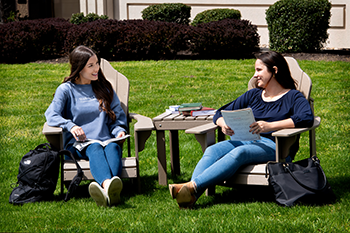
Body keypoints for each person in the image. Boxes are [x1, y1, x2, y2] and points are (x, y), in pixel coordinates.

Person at [169, 51, 314, 208]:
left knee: (240, 153)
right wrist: (222, 123)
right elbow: (219, 112)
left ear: (274, 70)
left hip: (275, 146)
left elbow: (306, 118)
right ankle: (191, 196)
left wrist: (270, 126)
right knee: (212, 150)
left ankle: (192, 187)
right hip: (245, 140)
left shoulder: (293, 97)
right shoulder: (253, 95)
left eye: (259, 70)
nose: (255, 75)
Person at [45, 45, 128, 207]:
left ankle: (106, 191)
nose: (96, 68)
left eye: (97, 63)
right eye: (91, 65)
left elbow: (116, 117)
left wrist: (119, 131)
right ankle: (108, 187)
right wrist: (70, 125)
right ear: (78, 68)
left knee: (113, 148)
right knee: (94, 147)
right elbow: (51, 115)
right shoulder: (66, 90)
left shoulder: (104, 88)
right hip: (77, 145)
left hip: (106, 141)